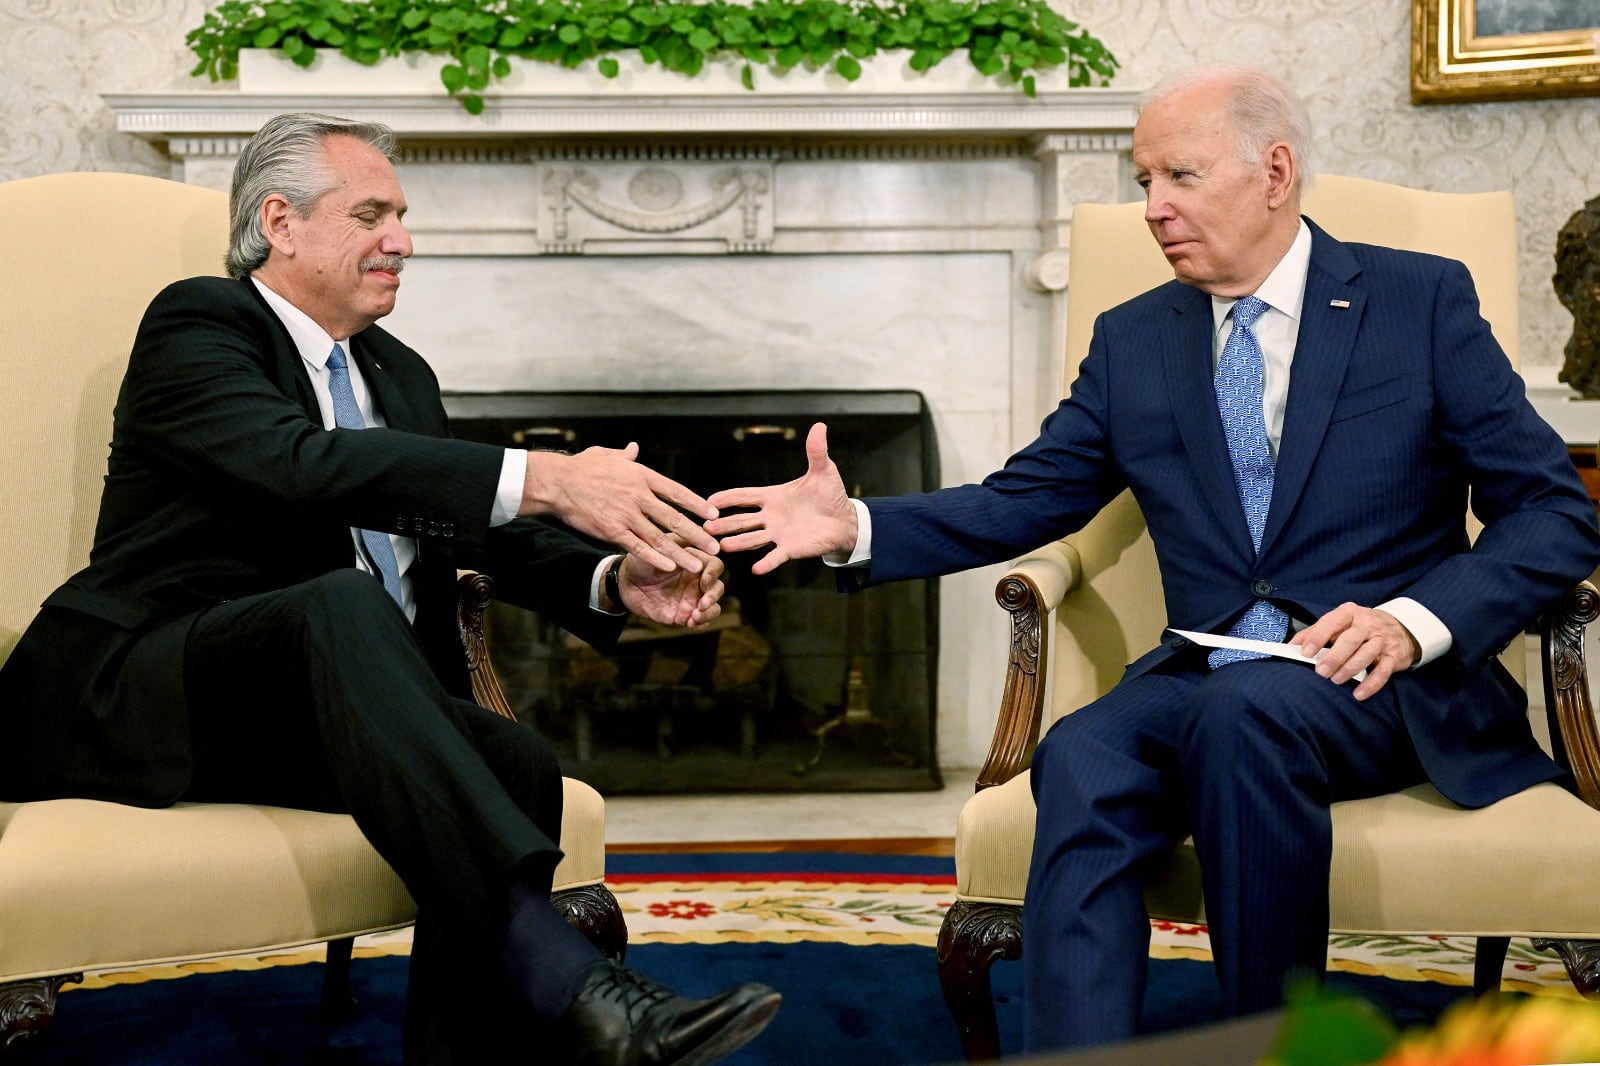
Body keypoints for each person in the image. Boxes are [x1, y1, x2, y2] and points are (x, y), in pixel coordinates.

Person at [704, 65, 1600, 1053]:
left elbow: (1552, 514)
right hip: (1206, 665)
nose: (1152, 208)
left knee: (1243, 718)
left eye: (1178, 175)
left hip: (1381, 682)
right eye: (1141, 182)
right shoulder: (1136, 339)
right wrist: (857, 525)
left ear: (1274, 172)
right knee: (1082, 748)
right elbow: (1029, 497)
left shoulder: (1415, 301)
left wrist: (1411, 621)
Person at [0, 112, 780, 1065]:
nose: (402, 240)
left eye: (402, 216)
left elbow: (463, 522)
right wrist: (548, 475)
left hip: (313, 709)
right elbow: (298, 464)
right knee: (337, 601)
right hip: (144, 687)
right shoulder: (201, 321)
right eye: (371, 214)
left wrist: (616, 579)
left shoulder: (399, 375)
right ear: (281, 223)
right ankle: (576, 986)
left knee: (521, 762)